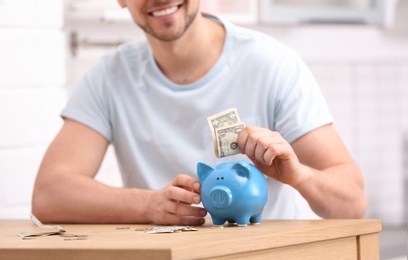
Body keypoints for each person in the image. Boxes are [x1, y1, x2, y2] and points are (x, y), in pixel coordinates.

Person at [32, 0, 366, 225]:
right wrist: (148, 205)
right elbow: (50, 194)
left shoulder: (273, 64)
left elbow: (353, 204)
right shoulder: (107, 78)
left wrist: (300, 176)